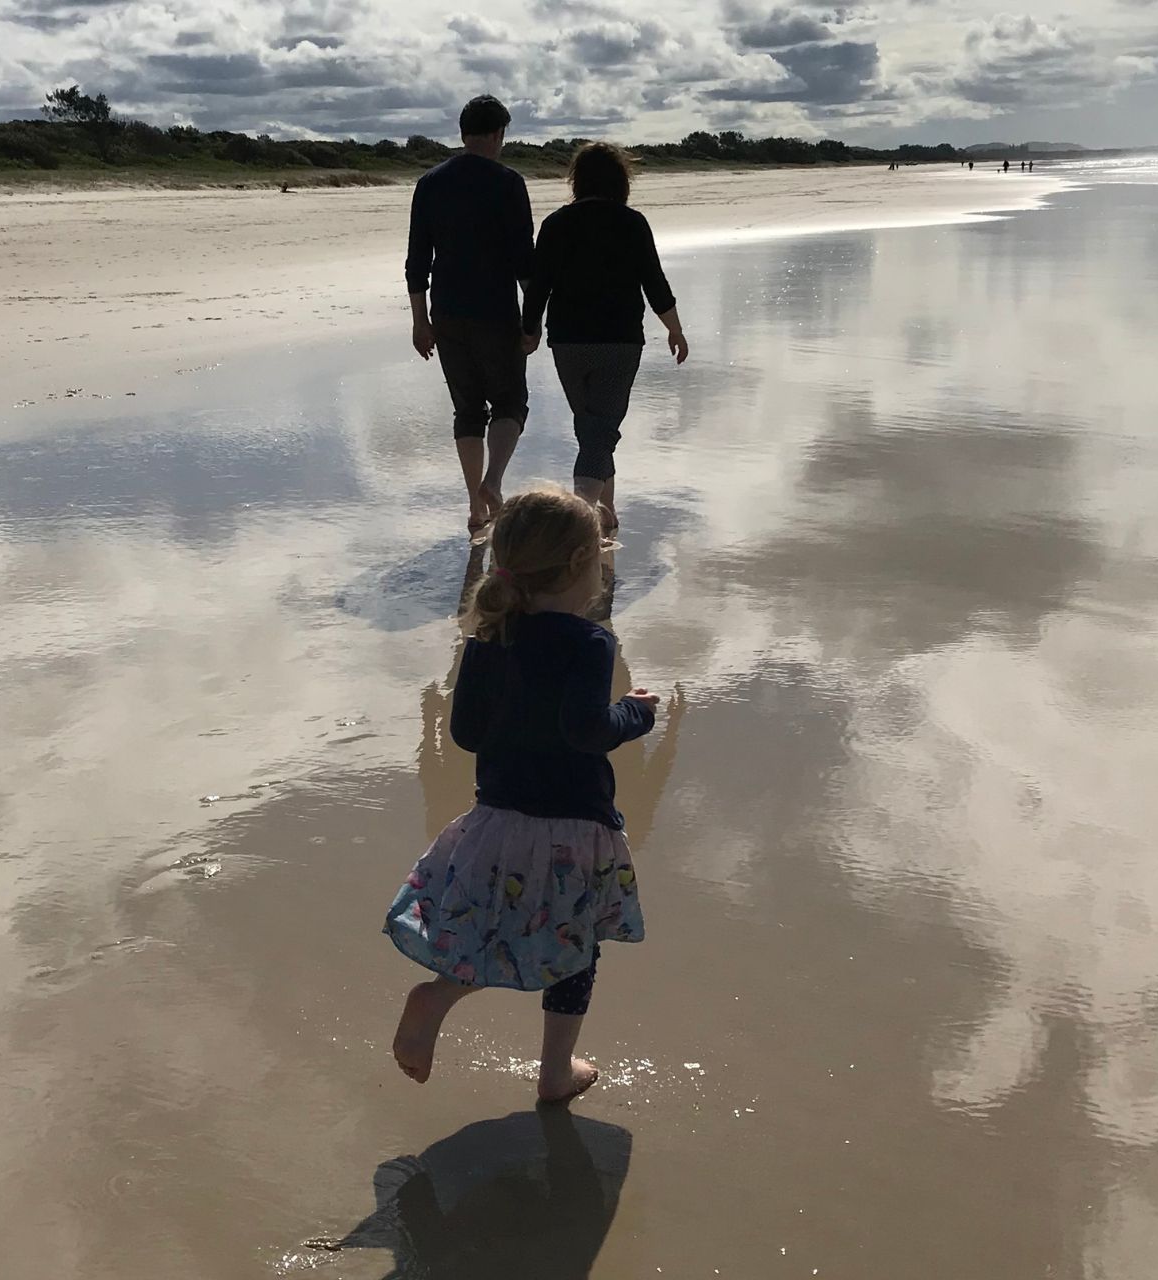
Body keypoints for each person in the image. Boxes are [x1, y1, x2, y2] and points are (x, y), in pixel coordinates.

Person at [385, 488, 661, 1104]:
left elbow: (465, 733)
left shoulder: (489, 637)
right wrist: (634, 716)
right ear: (578, 568)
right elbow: (587, 731)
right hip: (573, 826)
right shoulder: (589, 643)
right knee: (577, 946)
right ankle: (555, 1073)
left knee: (497, 926)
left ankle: (438, 995)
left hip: (498, 819)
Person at [521, 143, 687, 537]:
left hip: (568, 341)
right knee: (600, 432)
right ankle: (576, 523)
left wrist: (530, 330)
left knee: (591, 427)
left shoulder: (556, 224)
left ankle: (605, 510)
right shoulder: (631, 223)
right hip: (618, 341)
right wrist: (674, 328)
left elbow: (538, 287)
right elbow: (655, 285)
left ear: (577, 180)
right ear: (621, 180)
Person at [406, 95, 536, 535]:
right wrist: (533, 321)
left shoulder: (430, 183)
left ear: (463, 134)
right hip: (497, 311)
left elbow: (417, 260)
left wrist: (419, 321)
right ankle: (494, 481)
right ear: (499, 135)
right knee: (510, 402)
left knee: (466, 409)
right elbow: (524, 263)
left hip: (447, 312)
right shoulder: (509, 183)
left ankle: (474, 508)